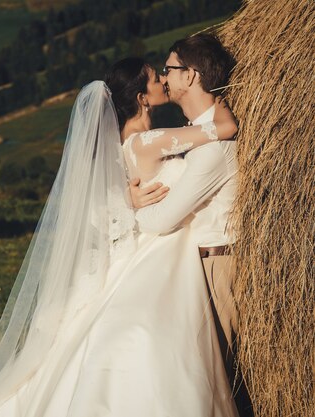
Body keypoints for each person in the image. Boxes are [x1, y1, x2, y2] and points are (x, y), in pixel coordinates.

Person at [0, 57, 239, 416]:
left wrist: (127, 201)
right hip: (161, 251)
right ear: (142, 97)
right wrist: (221, 99)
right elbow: (225, 128)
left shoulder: (122, 146)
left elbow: (96, 207)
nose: (163, 82)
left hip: (156, 248)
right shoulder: (149, 141)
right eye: (157, 78)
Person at [129, 33, 252, 416]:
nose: (164, 77)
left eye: (169, 69)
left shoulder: (212, 149)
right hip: (193, 267)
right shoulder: (199, 134)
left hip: (216, 266)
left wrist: (128, 207)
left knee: (230, 382)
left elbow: (164, 218)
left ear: (192, 75)